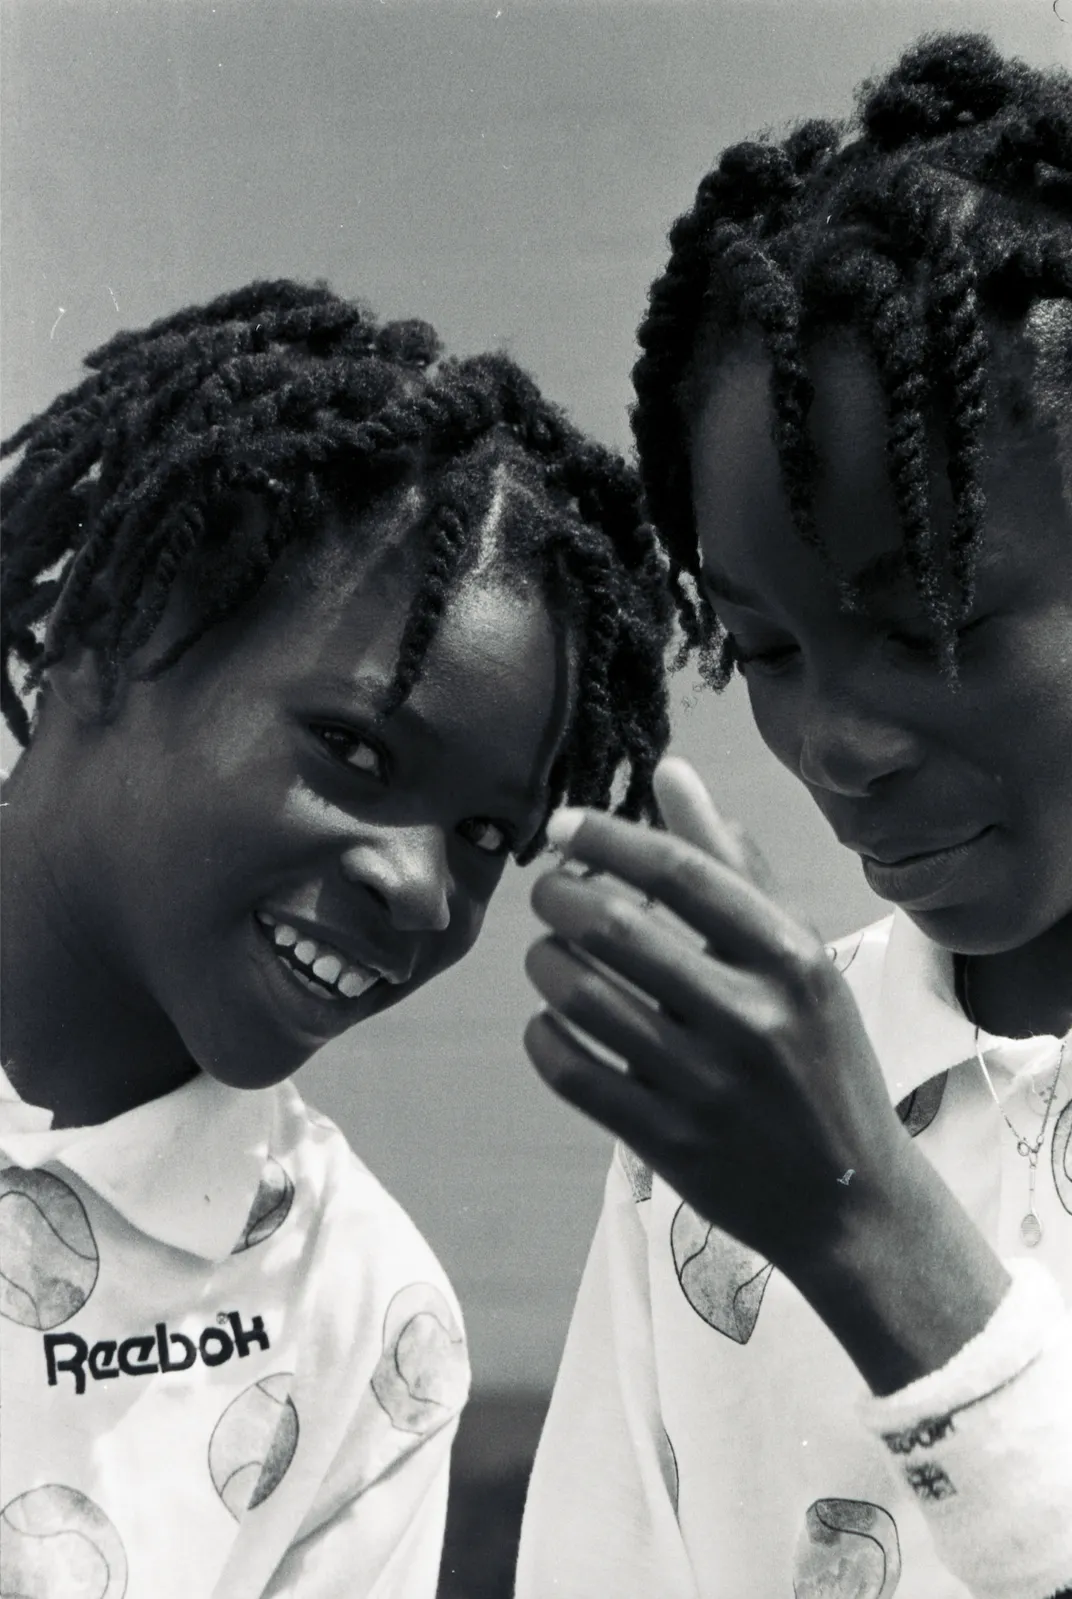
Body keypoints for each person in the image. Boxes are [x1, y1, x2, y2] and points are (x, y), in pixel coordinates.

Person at [0, 279, 674, 1598]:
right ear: (109, 641)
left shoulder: (360, 1320)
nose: (425, 891)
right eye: (357, 750)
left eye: (489, 834)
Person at [517, 33, 1072, 1599]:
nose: (834, 745)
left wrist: (868, 1218)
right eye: (765, 646)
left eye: (923, 626)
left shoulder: (794, 1133)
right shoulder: (724, 1119)